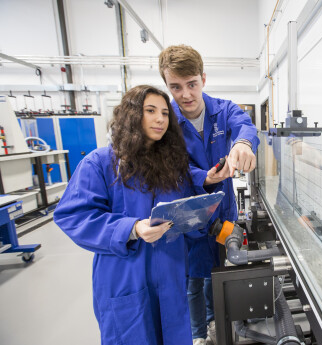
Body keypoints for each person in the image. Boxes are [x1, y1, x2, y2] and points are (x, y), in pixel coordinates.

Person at [54, 85, 204, 345]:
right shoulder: (100, 163)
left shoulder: (172, 167)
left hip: (170, 272)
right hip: (124, 277)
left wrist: (199, 215)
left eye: (165, 113)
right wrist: (131, 228)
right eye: (150, 111)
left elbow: (186, 213)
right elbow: (73, 215)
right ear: (132, 115)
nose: (160, 119)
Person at [159, 45, 259, 345]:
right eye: (176, 87)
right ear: (167, 85)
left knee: (217, 271)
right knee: (193, 279)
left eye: (192, 84)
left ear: (203, 78)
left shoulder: (223, 109)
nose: (186, 95)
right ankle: (198, 335)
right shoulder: (168, 123)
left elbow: (244, 124)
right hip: (189, 215)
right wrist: (204, 177)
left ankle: (216, 321)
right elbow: (171, 169)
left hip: (223, 210)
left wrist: (242, 143)